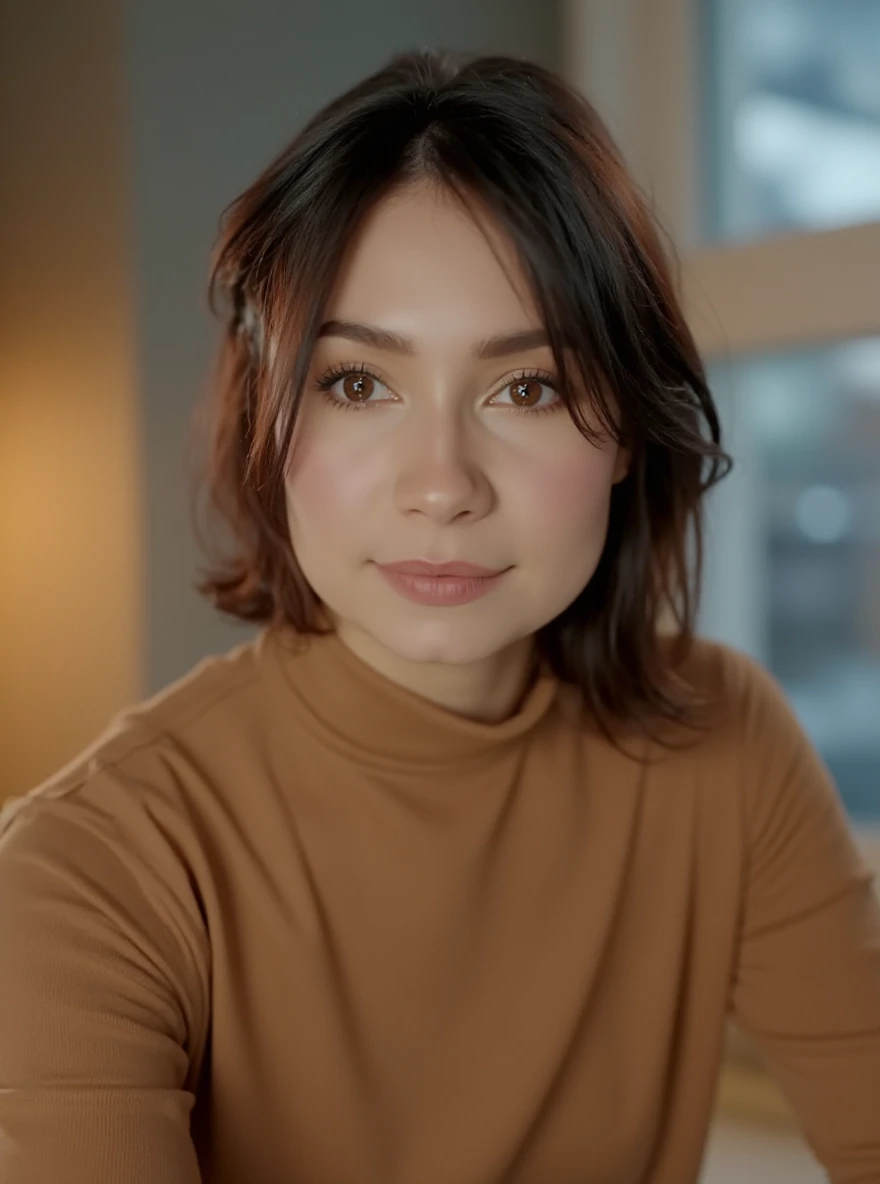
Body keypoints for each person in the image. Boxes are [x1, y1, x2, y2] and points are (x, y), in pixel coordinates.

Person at [0, 47, 878, 1184]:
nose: (441, 481)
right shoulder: (86, 875)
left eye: (531, 387)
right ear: (266, 417)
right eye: (357, 382)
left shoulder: (728, 740)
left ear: (627, 435)